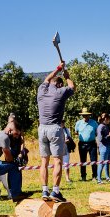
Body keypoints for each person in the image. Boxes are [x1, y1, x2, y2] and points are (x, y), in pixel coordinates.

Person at [37, 61, 74, 202]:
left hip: (42, 128)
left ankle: (44, 190)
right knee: (58, 160)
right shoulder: (60, 91)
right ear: (59, 84)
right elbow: (72, 86)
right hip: (55, 128)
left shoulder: (41, 90)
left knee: (44, 162)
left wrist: (58, 69)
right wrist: (67, 75)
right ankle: (55, 191)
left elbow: (46, 79)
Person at [75, 108, 98, 182]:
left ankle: (94, 176)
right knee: (82, 161)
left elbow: (97, 133)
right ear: (82, 115)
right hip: (82, 144)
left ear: (89, 115)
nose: (85, 117)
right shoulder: (78, 123)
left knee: (94, 160)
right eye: (83, 115)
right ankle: (83, 176)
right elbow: (76, 132)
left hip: (92, 144)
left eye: (86, 115)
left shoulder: (94, 123)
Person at [96, 113, 110, 184]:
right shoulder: (100, 127)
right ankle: (99, 179)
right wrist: (109, 135)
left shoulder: (106, 126)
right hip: (103, 147)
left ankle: (107, 177)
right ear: (106, 119)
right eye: (109, 119)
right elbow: (100, 139)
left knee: (107, 162)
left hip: (108, 146)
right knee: (102, 163)